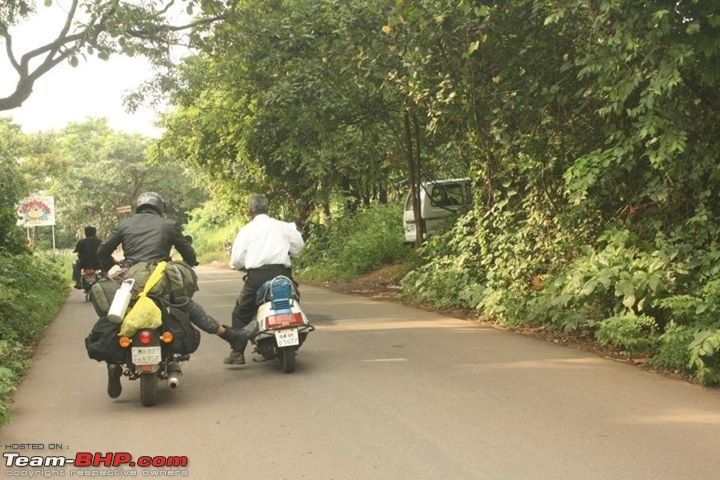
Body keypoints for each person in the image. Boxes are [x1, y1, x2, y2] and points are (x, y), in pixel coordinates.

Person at [97, 191, 246, 398]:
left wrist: (111, 265)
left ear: (139, 207)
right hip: (161, 281)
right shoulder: (168, 225)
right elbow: (188, 253)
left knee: (115, 316)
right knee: (187, 307)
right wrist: (189, 262)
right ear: (159, 207)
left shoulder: (125, 225)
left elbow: (103, 252)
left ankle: (113, 363)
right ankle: (228, 335)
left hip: (131, 283)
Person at [226, 194, 305, 365]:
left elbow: (237, 260)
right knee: (293, 299)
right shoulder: (283, 226)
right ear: (267, 209)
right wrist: (289, 251)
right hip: (282, 274)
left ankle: (237, 353)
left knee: (240, 313)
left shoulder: (246, 230)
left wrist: (239, 264)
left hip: (256, 277)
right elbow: (299, 247)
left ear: (250, 211)